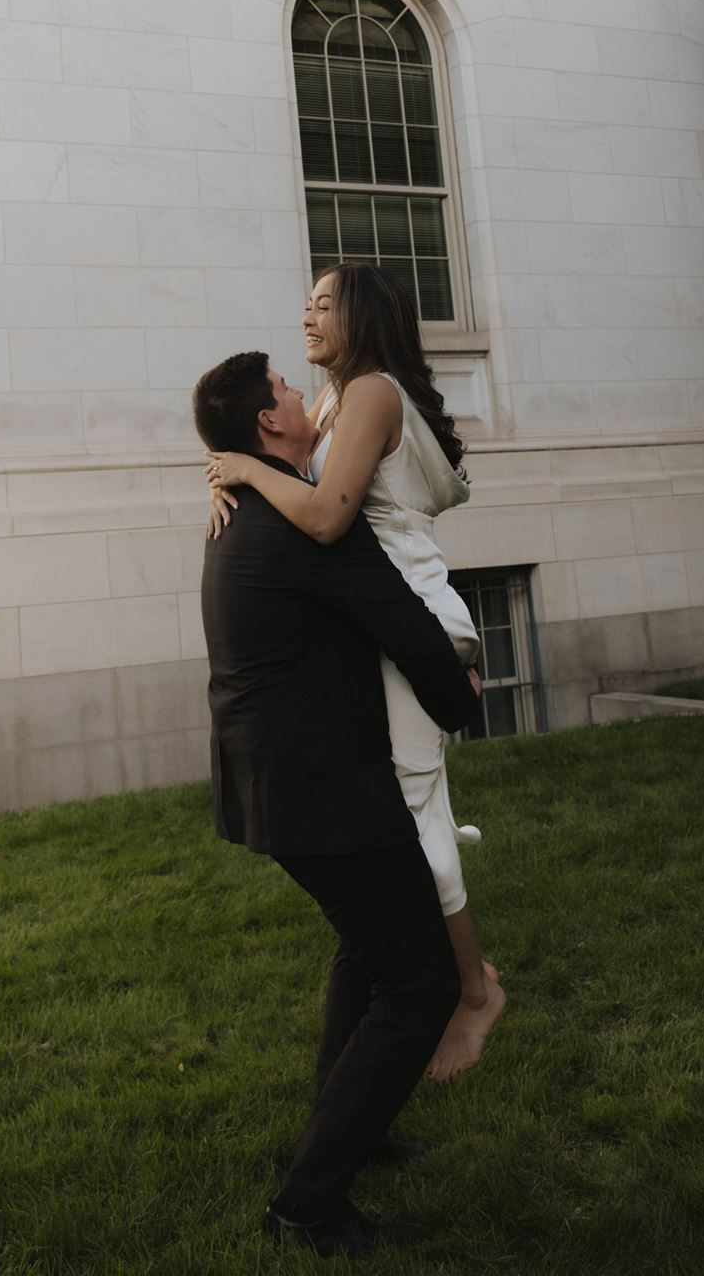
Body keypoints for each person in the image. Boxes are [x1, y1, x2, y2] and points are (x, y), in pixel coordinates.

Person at [194, 350, 483, 1260]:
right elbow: (398, 616)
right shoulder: (307, 525)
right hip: (322, 790)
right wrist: (463, 701)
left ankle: (354, 1129)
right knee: (421, 982)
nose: (298, 391)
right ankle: (306, 1206)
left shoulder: (247, 505)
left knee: (368, 953)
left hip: (286, 782)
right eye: (282, 387)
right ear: (268, 425)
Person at [206, 264, 506, 1084]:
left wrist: (246, 470)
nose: (306, 313)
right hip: (380, 618)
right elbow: (300, 480)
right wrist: (228, 469)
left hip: (410, 619)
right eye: (303, 300)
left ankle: (471, 994)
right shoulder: (339, 395)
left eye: (323, 303)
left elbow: (331, 516)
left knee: (411, 821)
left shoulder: (370, 391)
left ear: (362, 316)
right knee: (408, 816)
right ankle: (425, 984)